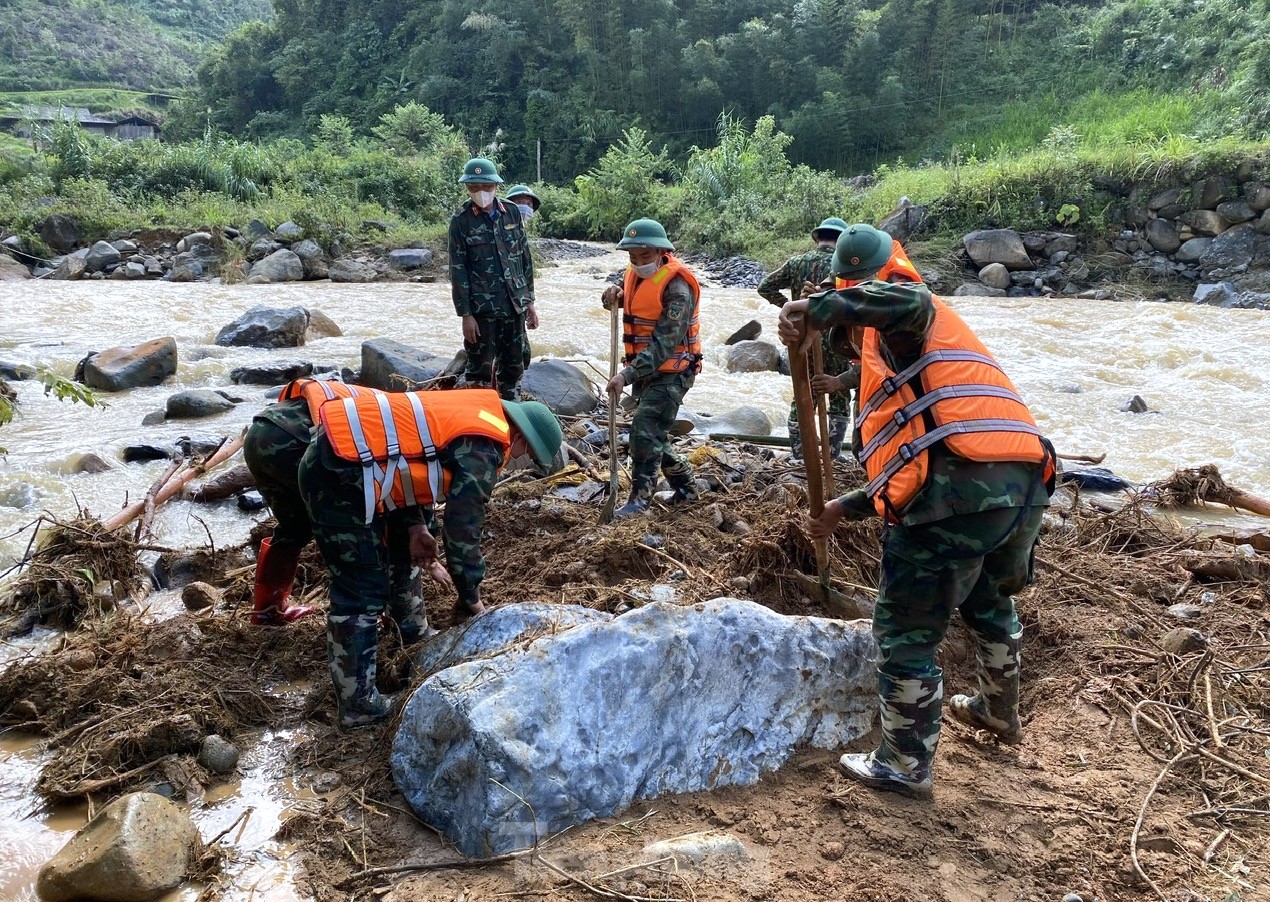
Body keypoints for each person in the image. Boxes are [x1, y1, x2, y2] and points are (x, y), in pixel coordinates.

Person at [777, 223, 1055, 797]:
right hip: (1020, 487)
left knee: (906, 632)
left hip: (958, 497)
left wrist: (817, 306)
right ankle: (998, 713)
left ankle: (903, 763)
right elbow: (919, 457)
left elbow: (897, 300)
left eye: (851, 295)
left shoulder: (910, 309)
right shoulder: (925, 347)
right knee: (987, 599)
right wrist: (842, 508)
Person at [295, 385, 563, 727]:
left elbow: (407, 455)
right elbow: (463, 530)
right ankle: (358, 704)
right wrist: (471, 597)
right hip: (337, 475)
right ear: (523, 439)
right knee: (360, 588)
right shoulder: (485, 446)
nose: (518, 461)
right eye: (527, 455)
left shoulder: (475, 410)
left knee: (401, 555)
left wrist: (416, 527)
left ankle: (415, 635)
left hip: (351, 462)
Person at [242, 378, 426, 640]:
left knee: (294, 526)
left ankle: (268, 611)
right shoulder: (403, 423)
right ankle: (372, 608)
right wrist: (414, 524)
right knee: (356, 520)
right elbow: (395, 480)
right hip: (297, 440)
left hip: (261, 431)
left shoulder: (383, 403)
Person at [601, 219, 703, 518]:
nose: (638, 262)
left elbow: (663, 345)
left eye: (645, 257)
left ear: (661, 252)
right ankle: (686, 487)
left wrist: (625, 375)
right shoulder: (634, 273)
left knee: (644, 430)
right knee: (653, 432)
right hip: (645, 372)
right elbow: (624, 300)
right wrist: (611, 296)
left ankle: (640, 501)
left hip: (673, 371)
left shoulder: (678, 288)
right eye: (633, 257)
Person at [758, 217, 854, 459]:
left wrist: (791, 308)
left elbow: (764, 287)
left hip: (801, 336)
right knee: (840, 391)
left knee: (803, 392)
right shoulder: (845, 265)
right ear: (840, 241)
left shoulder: (797, 262)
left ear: (818, 238)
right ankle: (832, 455)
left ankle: (801, 454)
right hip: (838, 337)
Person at [449, 158, 537, 400]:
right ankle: (479, 423)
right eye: (474, 187)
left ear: (496, 186)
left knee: (515, 366)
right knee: (479, 370)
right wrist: (466, 315)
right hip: (481, 311)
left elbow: (524, 259)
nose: (481, 193)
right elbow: (458, 271)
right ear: (467, 188)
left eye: (486, 187)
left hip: (513, 306)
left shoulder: (511, 213)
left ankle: (512, 415)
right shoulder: (461, 220)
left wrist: (529, 302)